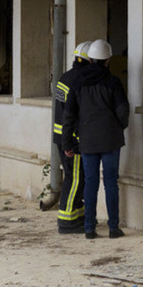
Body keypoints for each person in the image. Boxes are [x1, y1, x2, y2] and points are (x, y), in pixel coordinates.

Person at [61, 38, 129, 239]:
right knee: (110, 183)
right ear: (107, 60)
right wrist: (118, 128)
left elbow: (69, 115)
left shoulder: (77, 83)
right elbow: (123, 111)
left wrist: (67, 142)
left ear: (90, 60)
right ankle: (113, 228)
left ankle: (89, 228)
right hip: (111, 141)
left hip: (88, 142)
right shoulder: (113, 82)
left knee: (91, 183)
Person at [44, 39, 92, 233]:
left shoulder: (66, 77)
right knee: (76, 179)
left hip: (61, 137)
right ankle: (67, 221)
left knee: (74, 177)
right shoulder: (80, 80)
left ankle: (76, 216)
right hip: (72, 139)